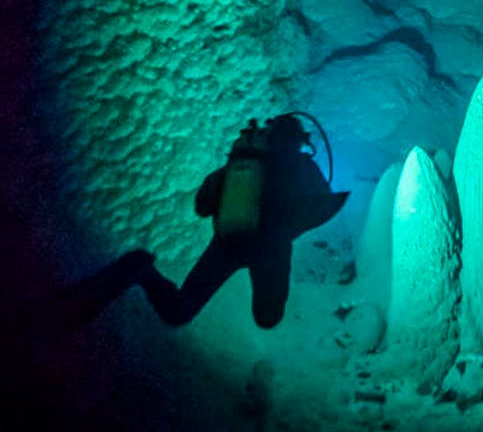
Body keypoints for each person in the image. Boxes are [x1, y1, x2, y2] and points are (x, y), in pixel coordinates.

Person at [54, 113, 348, 330]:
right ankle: (139, 271)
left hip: (228, 243)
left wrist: (236, 199)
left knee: (179, 311)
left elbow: (202, 205)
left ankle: (140, 269)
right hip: (272, 252)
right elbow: (319, 207)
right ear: (299, 142)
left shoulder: (241, 165)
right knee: (268, 318)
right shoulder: (304, 167)